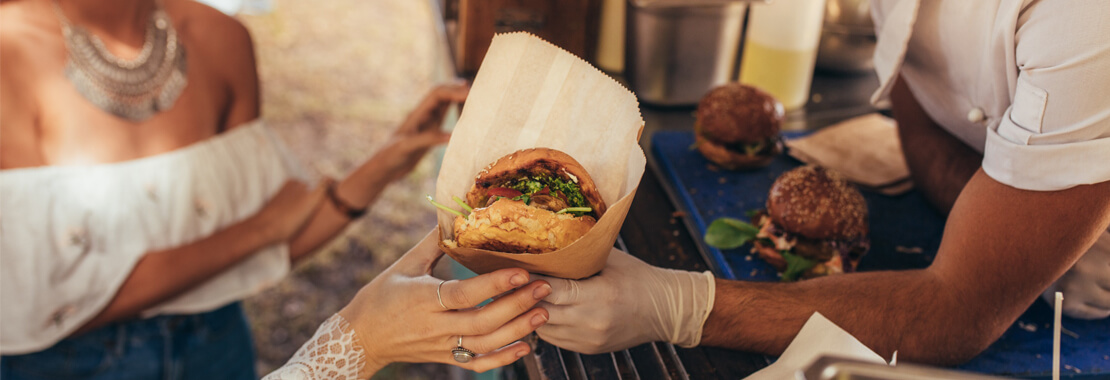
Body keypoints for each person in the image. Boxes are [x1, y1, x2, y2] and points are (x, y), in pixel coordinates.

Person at [528, 0, 1110, 366]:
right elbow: (919, 103)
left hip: (1079, 303)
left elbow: (959, 310)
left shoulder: (1087, 21)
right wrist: (990, 207)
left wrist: (676, 306)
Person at [0, 0, 546, 378]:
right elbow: (44, 304)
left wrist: (386, 162)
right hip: (60, 363)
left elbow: (271, 246)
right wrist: (261, 227)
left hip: (217, 343)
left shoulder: (223, 40)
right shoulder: (11, 52)